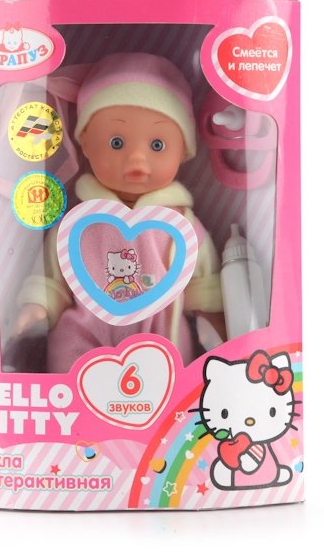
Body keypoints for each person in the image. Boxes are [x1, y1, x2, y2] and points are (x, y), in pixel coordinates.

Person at [13, 53, 225, 373]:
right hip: (83, 334)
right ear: (86, 142)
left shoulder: (181, 225)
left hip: (158, 338)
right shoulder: (78, 224)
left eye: (157, 145)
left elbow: (204, 283)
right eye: (116, 142)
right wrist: (38, 305)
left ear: (183, 149)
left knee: (165, 376)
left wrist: (213, 316)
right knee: (74, 371)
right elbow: (51, 275)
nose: (136, 159)